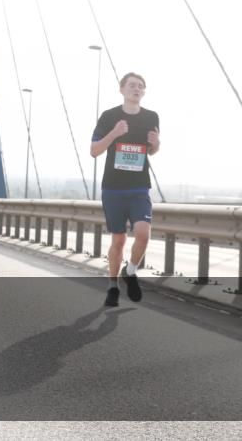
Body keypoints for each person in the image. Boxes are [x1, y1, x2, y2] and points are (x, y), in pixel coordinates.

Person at [90, 72, 160, 308]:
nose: (136, 89)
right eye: (132, 85)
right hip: (113, 188)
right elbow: (94, 150)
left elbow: (151, 151)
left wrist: (156, 144)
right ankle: (112, 286)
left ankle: (129, 271)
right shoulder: (109, 116)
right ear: (122, 90)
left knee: (143, 234)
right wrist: (115, 133)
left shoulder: (151, 116)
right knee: (118, 240)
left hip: (139, 187)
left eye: (141, 86)